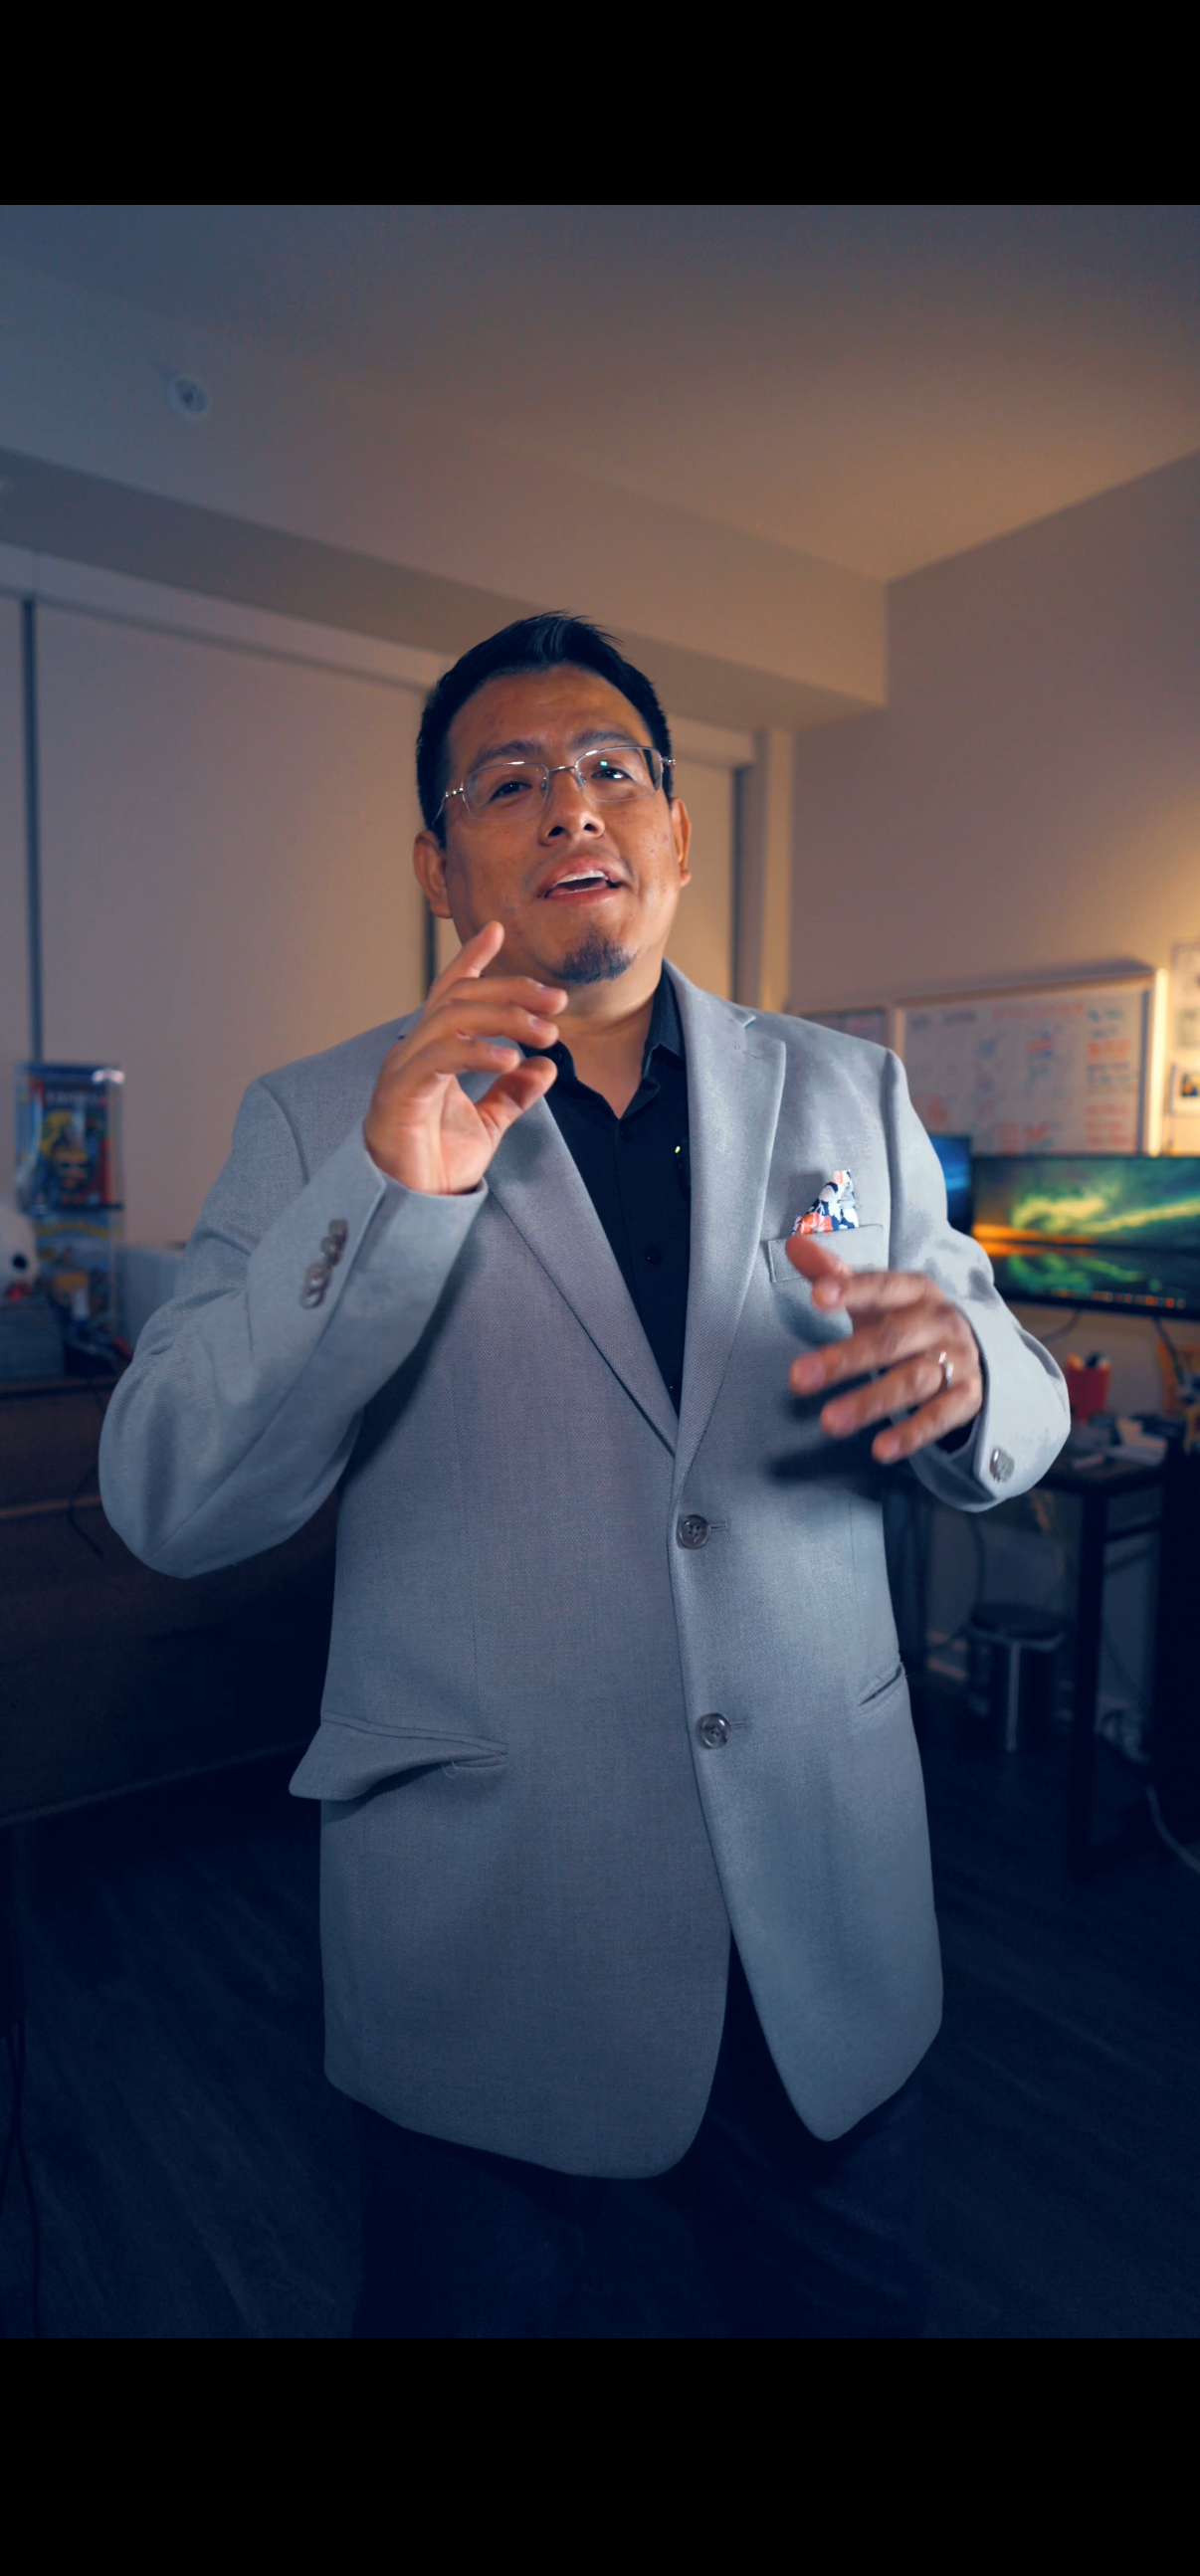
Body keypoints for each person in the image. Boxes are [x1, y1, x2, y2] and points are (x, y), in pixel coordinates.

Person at [100, 614, 1069, 2337]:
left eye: (615, 767)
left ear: (677, 838)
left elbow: (1020, 1394)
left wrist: (968, 1373)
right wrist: (394, 1198)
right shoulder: (319, 1117)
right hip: (489, 1948)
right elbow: (170, 1498)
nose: (574, 806)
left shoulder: (851, 1091)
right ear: (436, 858)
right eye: (513, 779)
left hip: (818, 1939)